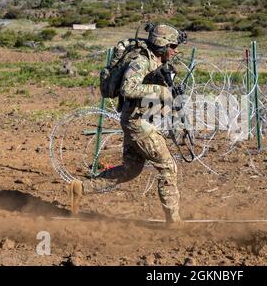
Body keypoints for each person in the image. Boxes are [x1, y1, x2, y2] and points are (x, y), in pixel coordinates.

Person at [68, 24, 187, 226]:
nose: (176, 50)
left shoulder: (156, 61)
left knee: (130, 170)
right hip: (137, 124)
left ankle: (81, 188)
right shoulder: (141, 61)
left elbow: (154, 95)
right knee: (168, 168)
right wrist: (161, 92)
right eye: (173, 45)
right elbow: (128, 88)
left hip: (139, 121)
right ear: (162, 45)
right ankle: (174, 222)